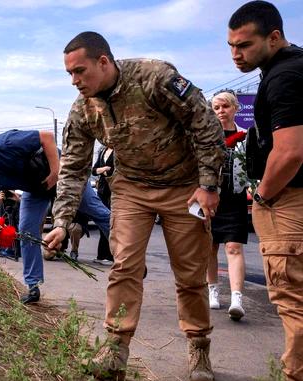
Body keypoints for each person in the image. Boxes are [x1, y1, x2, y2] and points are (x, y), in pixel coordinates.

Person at [44, 32, 225, 380]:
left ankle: (199, 345)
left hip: (184, 187)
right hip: (132, 189)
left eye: (80, 71)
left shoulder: (154, 77)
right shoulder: (83, 110)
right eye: (69, 74)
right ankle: (115, 351)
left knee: (189, 275)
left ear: (103, 61)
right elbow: (73, 168)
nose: (75, 81)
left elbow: (206, 124)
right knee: (124, 266)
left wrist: (208, 186)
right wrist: (62, 220)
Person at [0, 130, 110, 304]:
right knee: (27, 231)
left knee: (99, 213)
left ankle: (130, 255)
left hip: (62, 176)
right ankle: (33, 286)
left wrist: (56, 172)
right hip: (36, 189)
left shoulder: (7, 143)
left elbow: (47, 137)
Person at [228, 2, 303, 379]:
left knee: (293, 299)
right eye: (231, 46)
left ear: (274, 37)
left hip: (289, 199)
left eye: (244, 45)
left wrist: (262, 196)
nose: (235, 54)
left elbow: (289, 152)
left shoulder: (285, 75)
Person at [207, 91, 249, 321]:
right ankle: (212, 289)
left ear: (235, 108)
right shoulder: (206, 137)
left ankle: (236, 298)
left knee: (233, 246)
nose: (221, 111)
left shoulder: (246, 137)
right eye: (216, 108)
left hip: (235, 198)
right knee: (209, 247)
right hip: (210, 198)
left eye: (225, 106)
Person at [92, 146, 114, 265]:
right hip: (102, 191)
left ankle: (111, 256)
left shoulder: (118, 151)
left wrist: (102, 171)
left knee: (111, 223)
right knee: (102, 222)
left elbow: (114, 170)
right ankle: (101, 255)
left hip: (113, 191)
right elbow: (94, 170)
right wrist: (104, 169)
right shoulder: (102, 151)